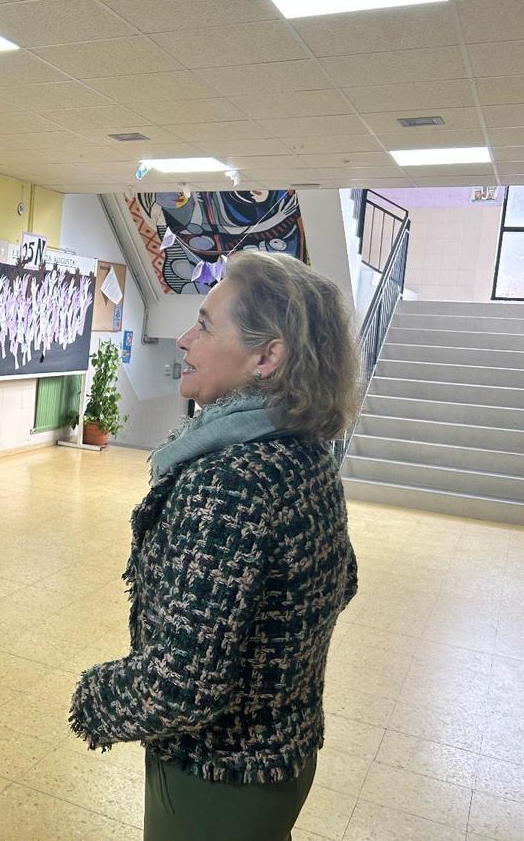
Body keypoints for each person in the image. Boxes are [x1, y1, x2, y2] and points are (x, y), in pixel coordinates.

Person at [69, 250, 359, 841]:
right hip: (284, 755)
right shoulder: (303, 452)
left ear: (266, 356)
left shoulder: (229, 477)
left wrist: (93, 697)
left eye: (204, 326)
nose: (183, 340)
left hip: (217, 773)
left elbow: (182, 682)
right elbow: (342, 579)